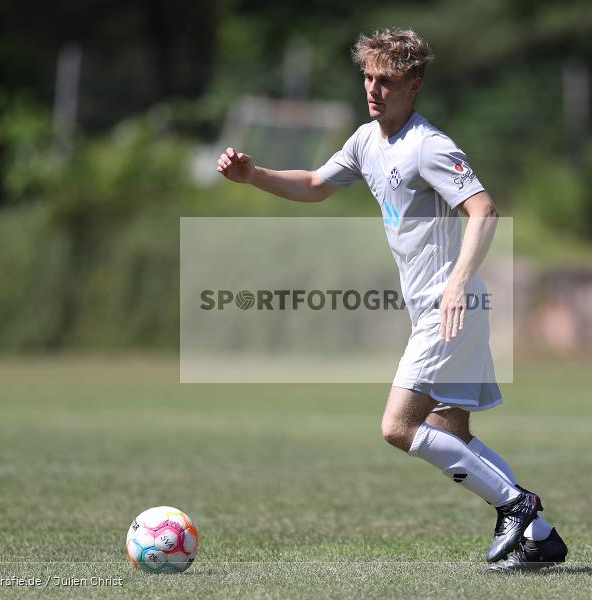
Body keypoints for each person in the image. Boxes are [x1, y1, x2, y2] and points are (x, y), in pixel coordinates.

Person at [217, 28, 566, 571]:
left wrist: (456, 284)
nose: (374, 89)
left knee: (397, 427)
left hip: (449, 308)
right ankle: (540, 537)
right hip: (440, 307)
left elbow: (484, 211)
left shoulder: (430, 147)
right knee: (452, 432)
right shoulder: (366, 140)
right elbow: (314, 182)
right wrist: (253, 175)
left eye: (388, 81)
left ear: (415, 85)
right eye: (369, 77)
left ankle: (518, 505)